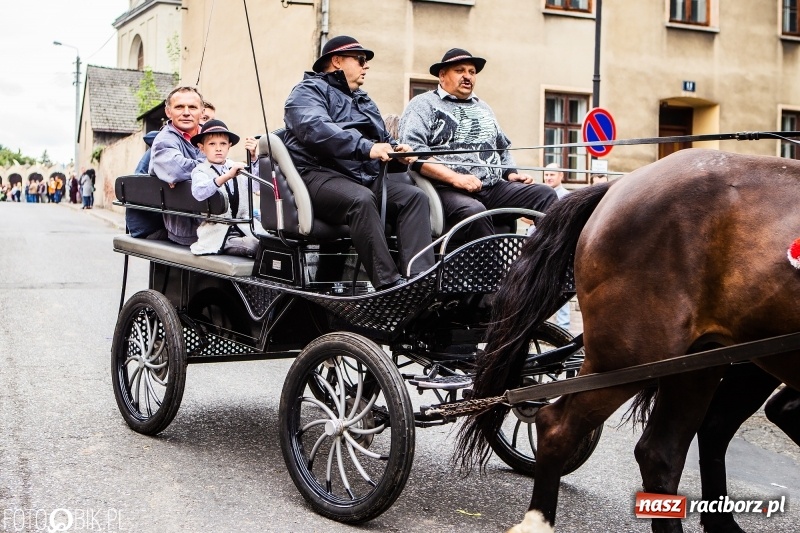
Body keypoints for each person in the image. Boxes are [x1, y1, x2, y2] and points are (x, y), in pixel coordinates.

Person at [283, 35, 434, 290]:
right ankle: (388, 286)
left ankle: (419, 281)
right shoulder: (307, 92)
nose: (367, 66)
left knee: (414, 197)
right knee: (361, 200)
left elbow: (383, 142)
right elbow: (315, 129)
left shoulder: (363, 99)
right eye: (361, 59)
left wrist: (399, 154)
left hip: (360, 177)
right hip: (318, 175)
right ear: (337, 61)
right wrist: (367, 148)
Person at [399, 48, 556, 241]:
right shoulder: (423, 104)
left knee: (545, 195)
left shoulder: (483, 107)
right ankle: (492, 271)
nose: (468, 77)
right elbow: (413, 153)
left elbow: (502, 148)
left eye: (472, 72)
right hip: (445, 190)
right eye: (460, 71)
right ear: (442, 75)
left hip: (492, 187)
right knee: (474, 212)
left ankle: (546, 265)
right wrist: (455, 178)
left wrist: (512, 174)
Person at [189, 119, 260, 257]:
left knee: (274, 242)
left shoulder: (236, 166)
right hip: (218, 232)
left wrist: (254, 159)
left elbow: (256, 186)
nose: (218, 148)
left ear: (229, 146)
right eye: (212, 144)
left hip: (244, 227)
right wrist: (227, 176)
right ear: (202, 148)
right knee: (255, 246)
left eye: (223, 144)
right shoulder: (200, 171)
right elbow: (199, 192)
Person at [149, 86, 207, 245]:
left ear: (202, 112)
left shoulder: (210, 136)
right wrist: (213, 166)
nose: (186, 112)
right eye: (179, 107)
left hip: (218, 220)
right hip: (188, 230)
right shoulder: (164, 141)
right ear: (168, 112)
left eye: (193, 107)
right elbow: (176, 169)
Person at [542, 163, 571, 329]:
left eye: (552, 175)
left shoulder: (566, 197)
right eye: (546, 175)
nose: (548, 178)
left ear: (561, 176)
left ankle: (563, 327)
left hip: (556, 248)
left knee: (561, 287)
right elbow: (525, 217)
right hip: (538, 248)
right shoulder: (540, 194)